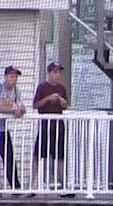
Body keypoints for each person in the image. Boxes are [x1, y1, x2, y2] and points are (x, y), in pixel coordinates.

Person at [0, 65, 25, 191]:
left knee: (9, 156)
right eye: (12, 76)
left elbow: (21, 106)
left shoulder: (16, 90)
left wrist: (20, 110)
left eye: (16, 77)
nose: (14, 79)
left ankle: (15, 186)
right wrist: (10, 110)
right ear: (6, 76)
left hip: (2, 128)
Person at [32, 62, 69, 190]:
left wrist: (60, 100)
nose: (57, 75)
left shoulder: (62, 88)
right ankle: (33, 182)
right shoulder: (42, 87)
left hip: (58, 125)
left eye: (59, 72)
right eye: (55, 72)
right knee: (38, 153)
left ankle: (63, 183)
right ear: (49, 73)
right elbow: (35, 105)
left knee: (60, 155)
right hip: (45, 125)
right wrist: (48, 99)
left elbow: (65, 105)